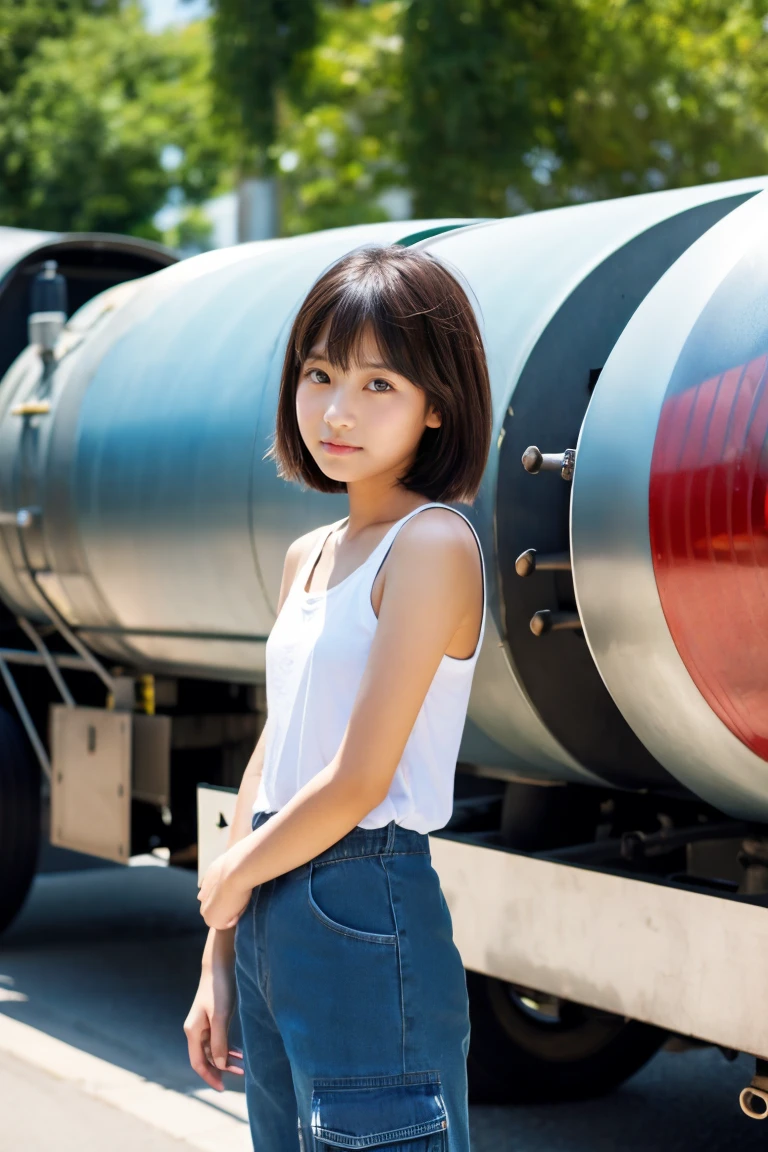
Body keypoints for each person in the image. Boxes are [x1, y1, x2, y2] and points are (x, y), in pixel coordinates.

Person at [183, 243, 492, 1151]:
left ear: (438, 406)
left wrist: (231, 881)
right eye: (320, 374)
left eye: (378, 385)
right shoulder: (308, 554)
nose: (337, 410)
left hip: (362, 894)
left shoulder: (432, 545)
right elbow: (276, 753)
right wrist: (220, 951)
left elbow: (360, 778)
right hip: (277, 892)